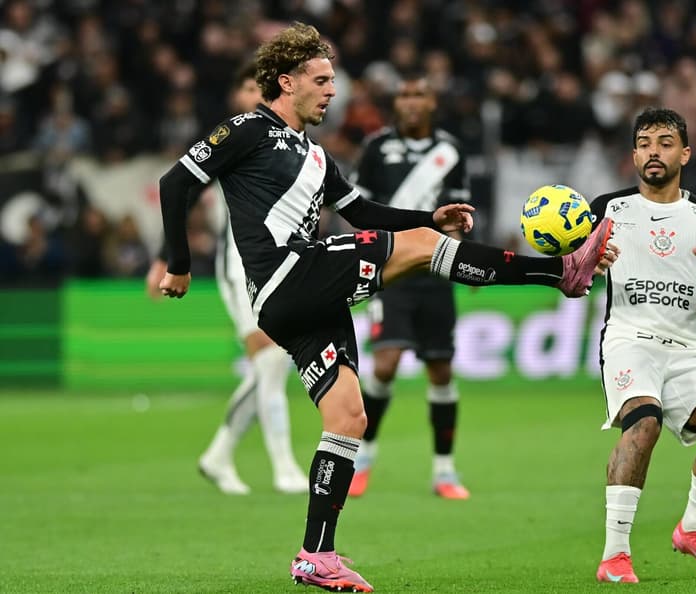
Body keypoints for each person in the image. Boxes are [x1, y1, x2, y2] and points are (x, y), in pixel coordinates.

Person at [157, 22, 617, 592]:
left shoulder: (317, 157)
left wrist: (428, 217)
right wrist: (180, 264)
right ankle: (560, 272)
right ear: (286, 81)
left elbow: (364, 214)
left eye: (333, 81)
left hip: (304, 299)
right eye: (321, 80)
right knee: (423, 251)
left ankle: (316, 555)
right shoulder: (249, 128)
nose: (332, 91)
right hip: (287, 275)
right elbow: (175, 183)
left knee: (348, 416)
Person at [587, 107, 696, 584]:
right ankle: (615, 556)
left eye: (664, 143)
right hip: (629, 340)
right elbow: (571, 274)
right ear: (634, 155)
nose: (653, 152)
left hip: (686, 347)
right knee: (644, 422)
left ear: (685, 153)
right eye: (644, 144)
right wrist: (588, 263)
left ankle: (693, 529)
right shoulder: (608, 209)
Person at [146, 63, 309, 495]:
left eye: (261, 87)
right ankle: (284, 467)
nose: (255, 94)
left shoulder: (290, 139)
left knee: (272, 364)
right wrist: (166, 258)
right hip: (239, 263)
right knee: (270, 361)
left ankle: (219, 455)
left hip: (282, 262)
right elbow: (185, 192)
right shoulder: (232, 137)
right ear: (236, 96)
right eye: (247, 87)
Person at [347, 74, 471, 500]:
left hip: (436, 271)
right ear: (396, 103)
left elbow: (458, 216)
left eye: (419, 95)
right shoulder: (376, 147)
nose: (411, 102)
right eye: (404, 95)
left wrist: (466, 263)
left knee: (441, 369)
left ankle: (444, 471)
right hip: (392, 271)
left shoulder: (451, 150)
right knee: (385, 364)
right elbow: (358, 208)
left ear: (433, 102)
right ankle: (363, 459)